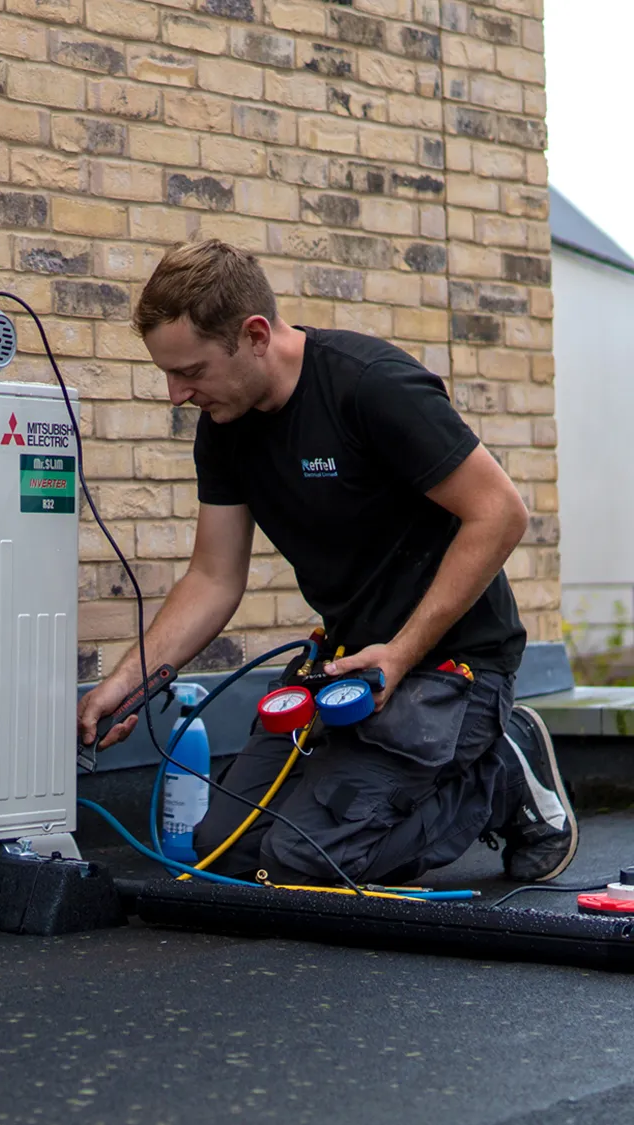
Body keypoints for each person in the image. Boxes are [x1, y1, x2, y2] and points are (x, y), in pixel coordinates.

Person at [77, 240, 577, 887]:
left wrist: (399, 652)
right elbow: (213, 577)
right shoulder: (225, 424)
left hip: (453, 665)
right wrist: (127, 681)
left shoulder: (369, 387)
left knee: (305, 862)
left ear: (255, 335)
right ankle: (374, 786)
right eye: (170, 374)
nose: (177, 393)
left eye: (191, 370)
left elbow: (500, 512)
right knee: (221, 850)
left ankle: (503, 774)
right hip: (346, 666)